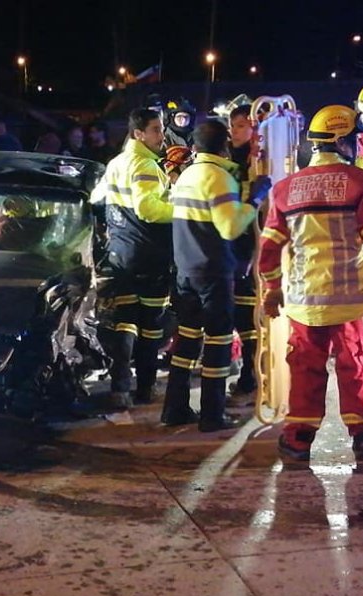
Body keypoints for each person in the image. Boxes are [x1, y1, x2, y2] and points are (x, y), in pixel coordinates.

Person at [258, 104, 363, 462]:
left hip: (305, 301)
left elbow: (270, 246)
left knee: (305, 369)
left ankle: (299, 439)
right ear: (341, 141)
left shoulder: (284, 189)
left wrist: (272, 290)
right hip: (353, 299)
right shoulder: (362, 182)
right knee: (356, 365)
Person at [161, 120, 269, 431]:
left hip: (186, 270)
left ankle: (175, 409)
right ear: (223, 146)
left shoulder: (186, 176)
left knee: (186, 343)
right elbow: (230, 227)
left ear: (195, 146)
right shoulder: (218, 178)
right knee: (219, 342)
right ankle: (212, 414)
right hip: (213, 271)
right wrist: (255, 200)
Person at [90, 108, 174, 410]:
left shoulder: (115, 163)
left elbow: (95, 199)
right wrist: (185, 209)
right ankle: (146, 388)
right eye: (155, 129)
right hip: (150, 257)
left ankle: (120, 388)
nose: (161, 135)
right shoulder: (145, 165)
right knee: (151, 325)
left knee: (125, 323)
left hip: (121, 255)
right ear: (138, 133)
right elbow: (149, 210)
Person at [227, 104, 260, 398]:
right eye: (232, 125)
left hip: (250, 247)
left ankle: (252, 373)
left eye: (239, 125)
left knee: (249, 315)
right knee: (239, 314)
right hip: (232, 243)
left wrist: (253, 255)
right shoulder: (229, 159)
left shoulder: (258, 163)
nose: (233, 131)